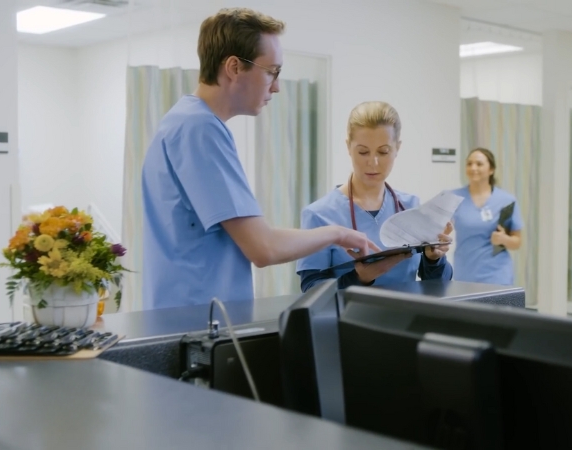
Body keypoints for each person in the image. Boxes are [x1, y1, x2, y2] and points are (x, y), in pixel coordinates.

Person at [141, 8, 378, 310]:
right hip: (196, 324)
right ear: (234, 67)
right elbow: (262, 248)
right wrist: (339, 233)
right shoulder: (200, 129)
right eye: (271, 71)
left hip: (184, 317)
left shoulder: (180, 122)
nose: (277, 86)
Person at [296, 101, 453, 292]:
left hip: (407, 319)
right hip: (349, 320)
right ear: (348, 147)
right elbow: (310, 290)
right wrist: (359, 278)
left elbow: (439, 284)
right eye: (363, 152)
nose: (373, 162)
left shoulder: (411, 206)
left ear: (397, 148)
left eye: (383, 151)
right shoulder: (319, 215)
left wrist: (433, 259)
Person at [451, 148, 523, 285]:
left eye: (479, 164)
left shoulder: (506, 200)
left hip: (496, 273)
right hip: (465, 273)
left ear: (491, 169)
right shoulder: (454, 198)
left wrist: (504, 239)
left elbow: (517, 241)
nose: (473, 168)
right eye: (469, 163)